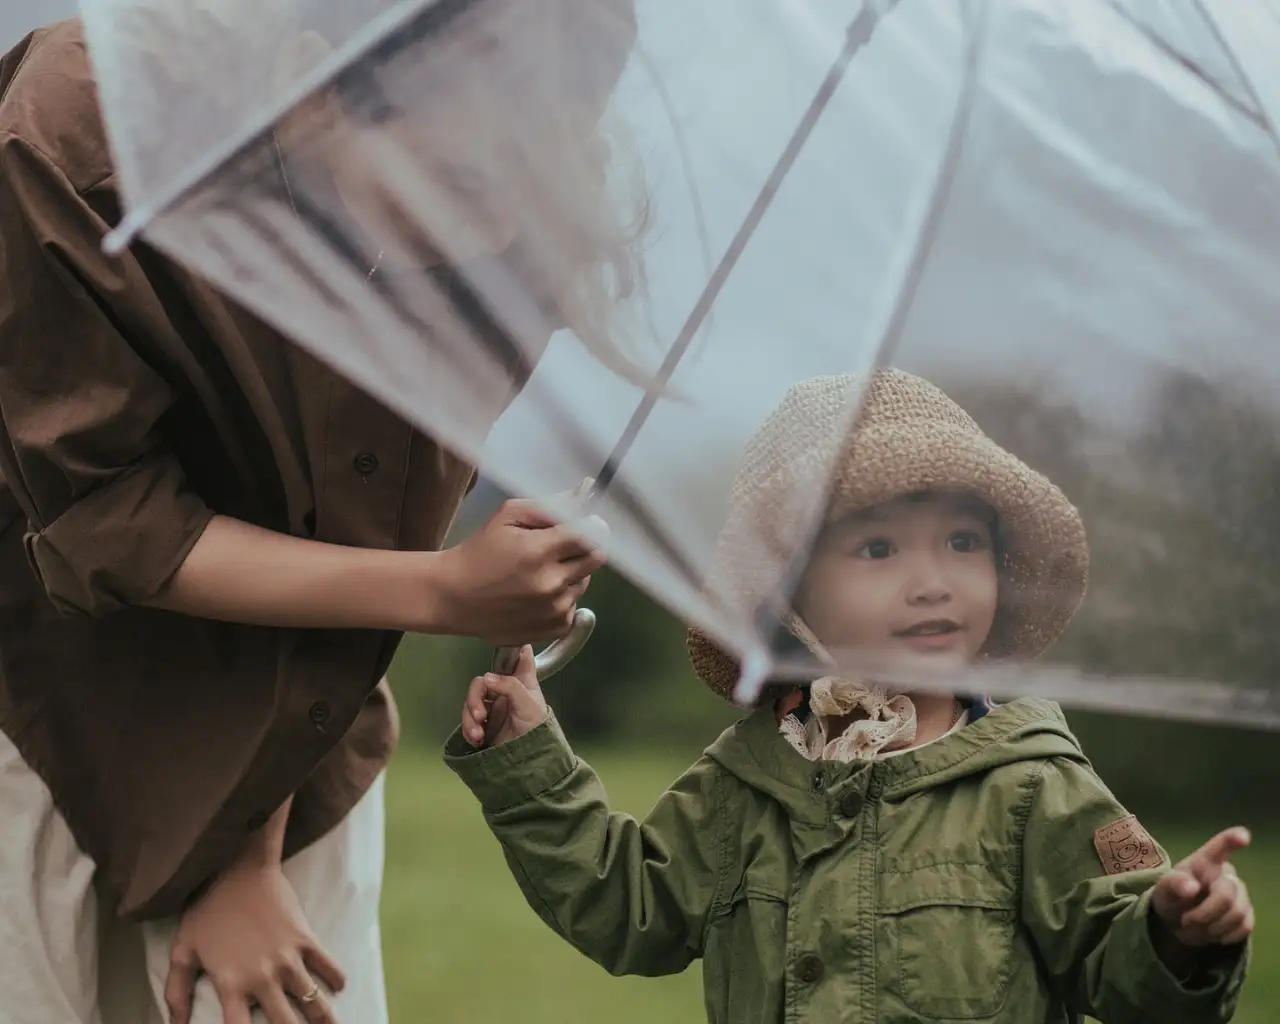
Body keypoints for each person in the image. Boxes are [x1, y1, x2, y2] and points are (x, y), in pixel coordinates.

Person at [0, 2, 637, 1022]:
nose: (490, 231)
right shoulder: (79, 132)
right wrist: (443, 590)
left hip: (297, 717)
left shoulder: (522, 216)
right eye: (464, 182)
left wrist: (250, 847)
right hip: (37, 678)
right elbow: (104, 515)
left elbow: (367, 519)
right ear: (313, 95)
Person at [446, 368, 1253, 1023]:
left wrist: (1177, 935)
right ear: (789, 596)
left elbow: (1119, 970)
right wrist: (530, 762)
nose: (933, 582)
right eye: (878, 547)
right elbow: (628, 907)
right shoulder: (748, 779)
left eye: (963, 542)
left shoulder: (1031, 783)